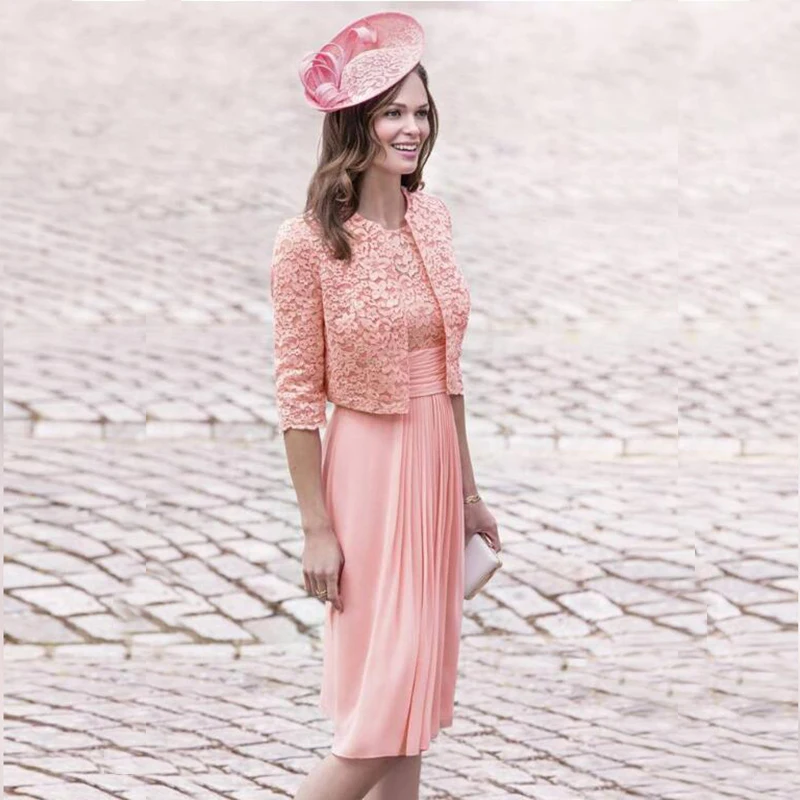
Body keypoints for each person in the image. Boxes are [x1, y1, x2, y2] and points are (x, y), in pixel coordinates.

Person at [269, 13, 501, 800]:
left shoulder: (432, 217)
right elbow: (298, 396)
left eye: (421, 111)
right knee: (382, 709)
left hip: (436, 459)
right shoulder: (308, 243)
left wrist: (469, 495)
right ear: (354, 124)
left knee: (414, 717)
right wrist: (317, 528)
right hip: (368, 469)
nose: (411, 127)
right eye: (392, 111)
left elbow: (451, 368)